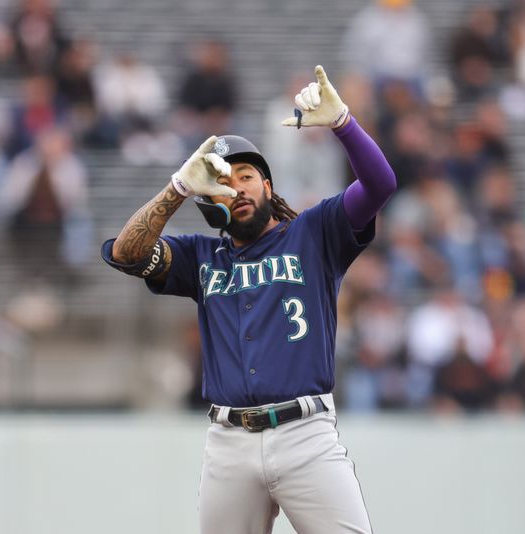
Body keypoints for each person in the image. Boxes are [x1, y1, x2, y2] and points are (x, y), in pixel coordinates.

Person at [102, 65, 396, 533]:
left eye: (246, 175)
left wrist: (343, 124)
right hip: (228, 443)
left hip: (306, 435)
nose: (236, 186)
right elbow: (126, 253)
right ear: (208, 201)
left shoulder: (314, 233)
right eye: (222, 181)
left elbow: (380, 186)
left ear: (268, 186)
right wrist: (178, 187)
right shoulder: (200, 257)